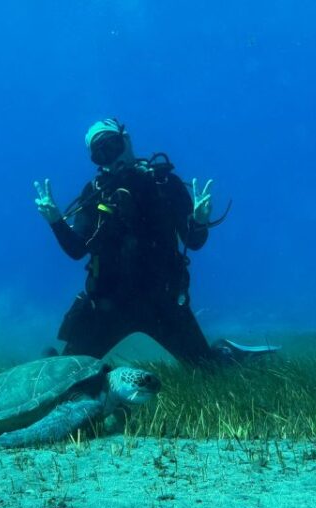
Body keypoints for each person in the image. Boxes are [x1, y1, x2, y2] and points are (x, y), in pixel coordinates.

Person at [34, 118, 270, 368]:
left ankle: (226, 353)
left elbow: (194, 241)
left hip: (162, 302)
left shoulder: (165, 184)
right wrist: (56, 221)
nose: (112, 158)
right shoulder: (94, 195)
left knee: (207, 368)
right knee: (68, 373)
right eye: (101, 154)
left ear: (126, 140)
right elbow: (76, 250)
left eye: (113, 146)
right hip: (108, 306)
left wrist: (199, 220)